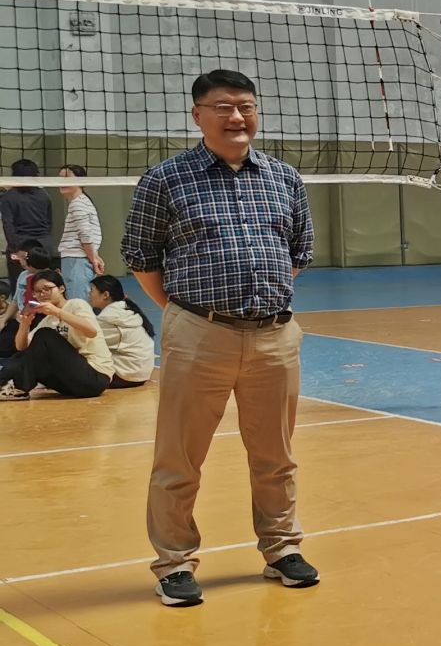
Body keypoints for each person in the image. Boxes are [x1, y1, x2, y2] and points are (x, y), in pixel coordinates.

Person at [121, 68, 318, 607]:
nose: (237, 117)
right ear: (198, 115)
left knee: (276, 455)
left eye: (246, 106)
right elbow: (141, 257)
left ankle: (281, 548)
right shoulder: (166, 179)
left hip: (274, 336)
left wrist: (260, 306)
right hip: (198, 334)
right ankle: (174, 563)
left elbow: (298, 253)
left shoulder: (284, 179)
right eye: (223, 107)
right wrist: (188, 316)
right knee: (179, 458)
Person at [0, 270, 113, 400]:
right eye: (37, 291)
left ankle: (19, 388)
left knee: (44, 334)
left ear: (61, 289)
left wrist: (58, 312)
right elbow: (21, 347)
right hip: (70, 383)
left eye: (47, 289)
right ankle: (6, 384)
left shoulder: (76, 304)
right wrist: (24, 325)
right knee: (27, 352)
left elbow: (91, 332)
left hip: (95, 377)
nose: (42, 294)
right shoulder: (48, 320)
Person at [89, 275, 156, 387]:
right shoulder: (126, 310)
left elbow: (88, 341)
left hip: (125, 375)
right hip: (141, 373)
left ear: (105, 295)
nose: (89, 294)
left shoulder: (109, 317)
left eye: (92, 291)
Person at [54, 166, 105, 304]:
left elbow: (85, 234)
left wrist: (93, 258)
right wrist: (94, 256)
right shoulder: (80, 202)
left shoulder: (78, 204)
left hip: (77, 260)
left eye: (67, 178)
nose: (62, 182)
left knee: (78, 305)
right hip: (77, 259)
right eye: (60, 178)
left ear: (81, 181)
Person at [2, 158, 53, 289]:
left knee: (20, 287)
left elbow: (8, 225)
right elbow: (49, 223)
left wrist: (16, 249)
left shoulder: (9, 197)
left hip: (20, 246)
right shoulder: (44, 195)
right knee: (44, 286)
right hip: (43, 247)